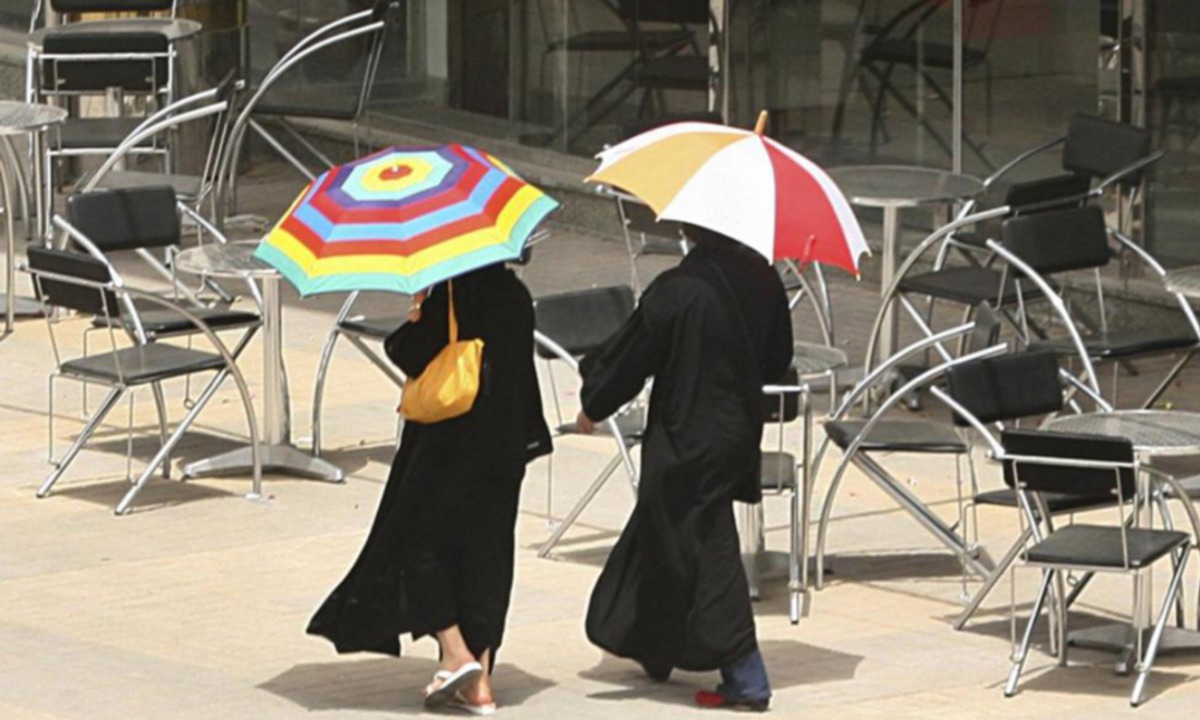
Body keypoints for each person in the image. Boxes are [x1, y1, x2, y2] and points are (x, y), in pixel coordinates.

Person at [307, 262, 551, 715]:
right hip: (505, 449)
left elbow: (410, 352)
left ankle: (455, 650)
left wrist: (418, 313)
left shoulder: (452, 296)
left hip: (451, 448)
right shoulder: (516, 296)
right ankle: (480, 682)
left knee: (418, 540)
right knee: (487, 555)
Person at [575, 223, 793, 712]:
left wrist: (594, 401)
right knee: (669, 522)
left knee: (705, 539)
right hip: (737, 430)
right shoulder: (763, 279)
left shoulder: (679, 290)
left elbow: (631, 357)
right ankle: (652, 642)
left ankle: (745, 670)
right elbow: (778, 359)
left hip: (687, 434)